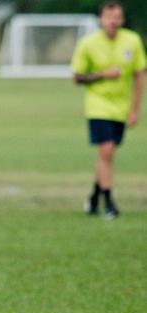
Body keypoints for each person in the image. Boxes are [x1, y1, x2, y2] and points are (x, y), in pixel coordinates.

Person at [71, 1, 145, 219]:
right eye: (109, 17)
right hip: (98, 106)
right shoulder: (88, 43)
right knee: (107, 151)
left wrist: (135, 109)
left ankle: (93, 198)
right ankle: (109, 203)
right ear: (101, 19)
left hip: (120, 108)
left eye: (118, 17)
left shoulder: (132, 40)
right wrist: (103, 74)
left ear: (122, 19)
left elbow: (140, 75)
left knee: (106, 155)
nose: (114, 22)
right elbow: (77, 77)